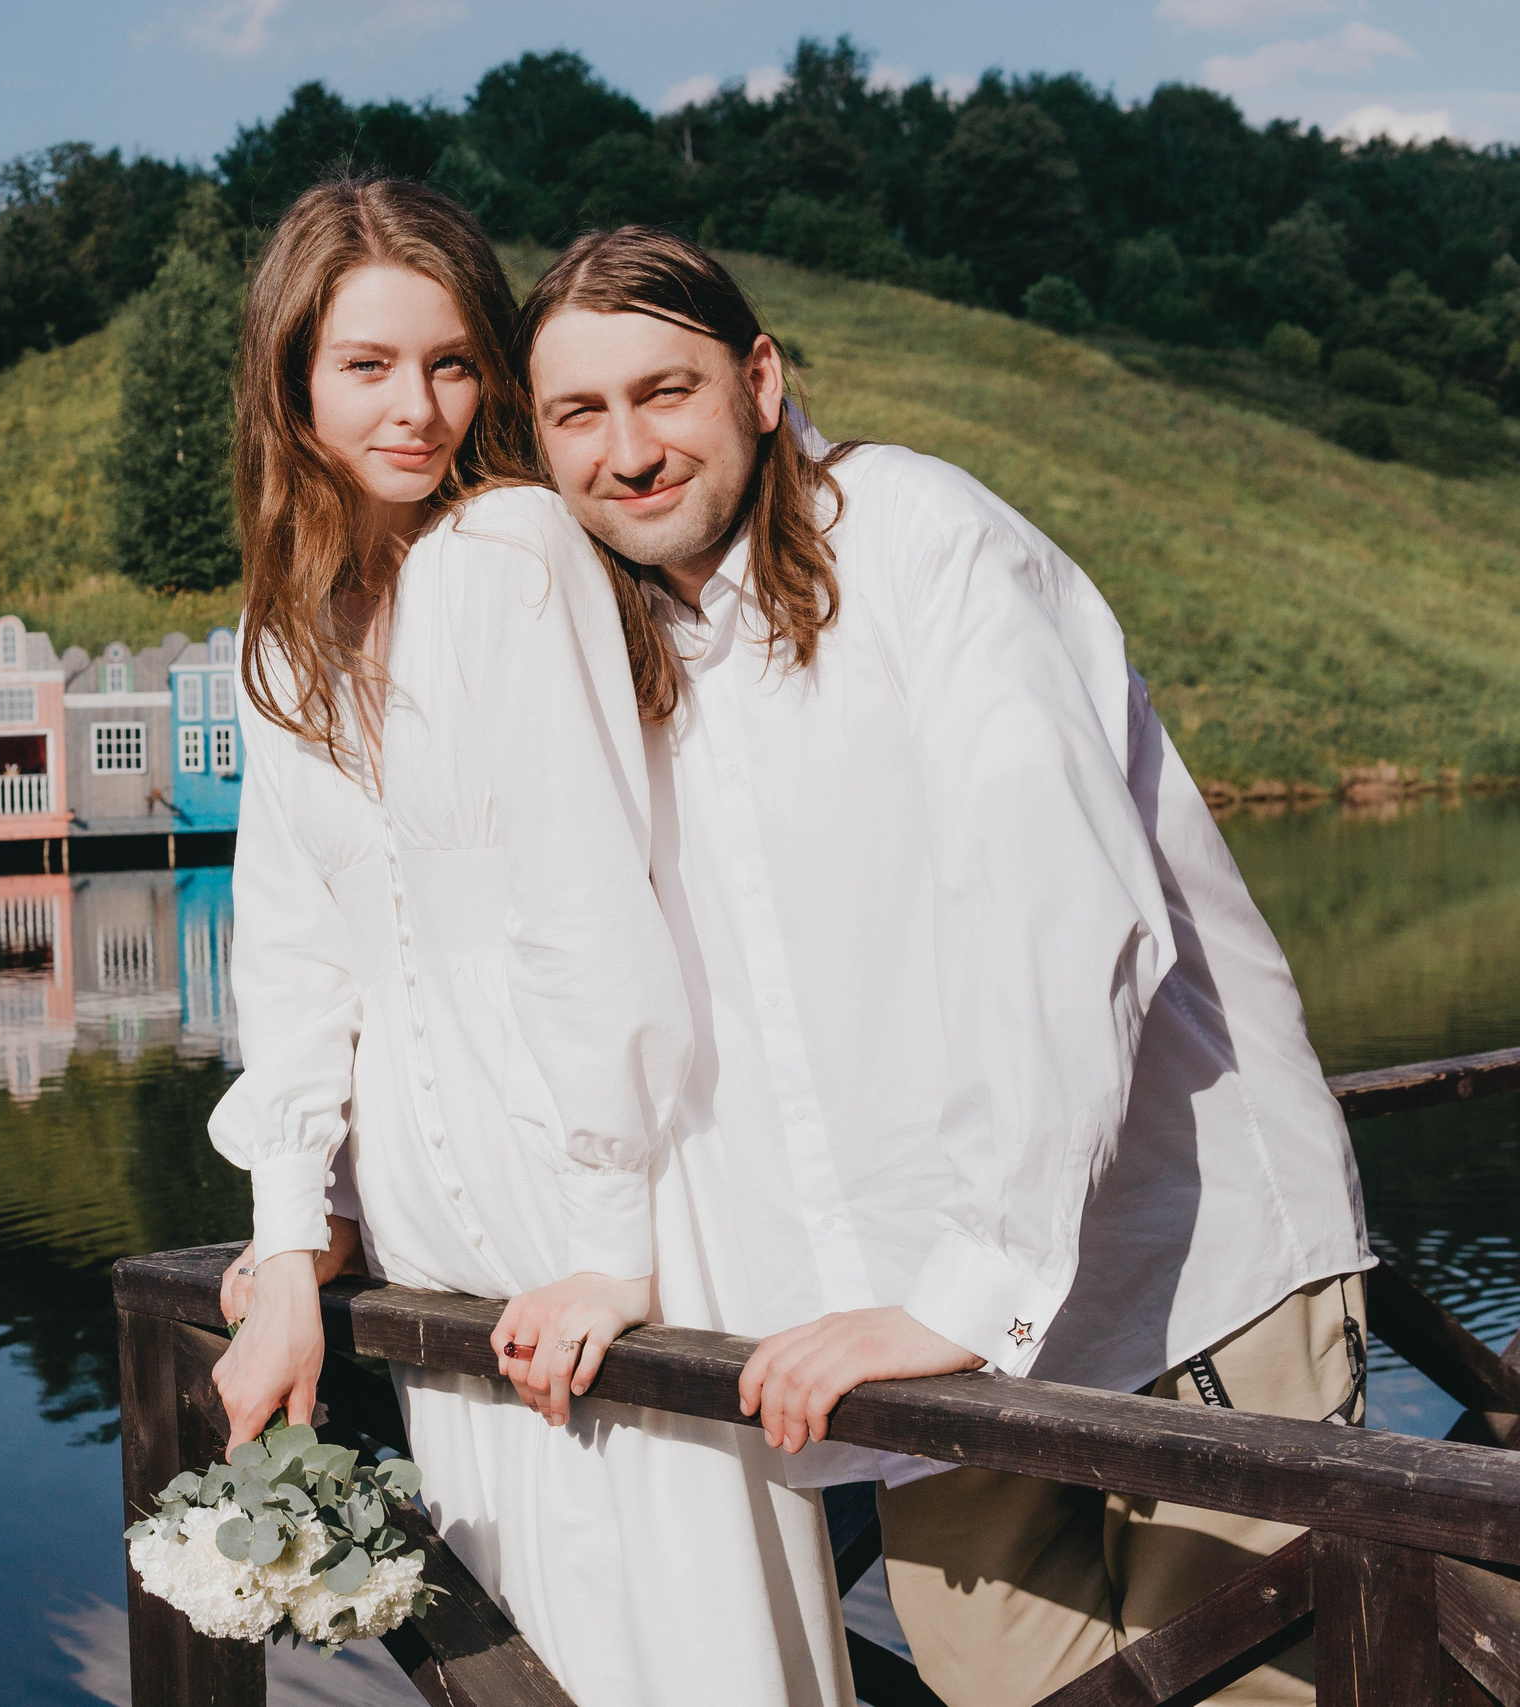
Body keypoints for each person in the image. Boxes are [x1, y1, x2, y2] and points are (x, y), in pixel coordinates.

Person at [517, 224, 1372, 1707]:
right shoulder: (625, 657)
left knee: (1259, 1691)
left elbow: (1058, 913)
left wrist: (968, 1292)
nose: (630, 448)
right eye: (578, 415)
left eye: (666, 391)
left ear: (762, 379)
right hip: (907, 1331)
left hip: (1181, 1277)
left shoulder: (921, 538)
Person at [206, 180, 849, 1707]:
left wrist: (608, 1248)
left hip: (592, 1220)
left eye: (452, 363)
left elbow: (587, 903)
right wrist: (291, 1239)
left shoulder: (505, 549)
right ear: (292, 382)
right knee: (529, 1657)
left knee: (685, 1653)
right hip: (437, 1248)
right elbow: (297, 960)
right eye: (368, 366)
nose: (420, 408)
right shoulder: (277, 637)